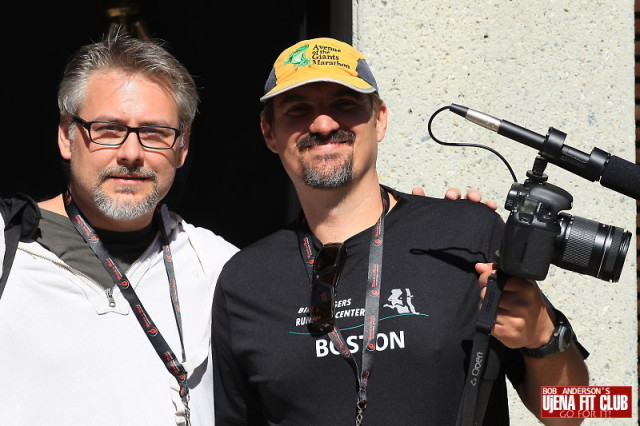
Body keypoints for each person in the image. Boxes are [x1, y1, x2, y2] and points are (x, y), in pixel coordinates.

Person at [211, 37, 589, 425]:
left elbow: (574, 411)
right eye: (297, 110)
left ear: (380, 120)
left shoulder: (466, 233)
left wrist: (543, 336)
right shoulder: (244, 281)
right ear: (269, 132)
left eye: (344, 104)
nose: (323, 124)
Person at [0, 34, 239, 426]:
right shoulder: (7, 248)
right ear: (66, 135)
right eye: (109, 129)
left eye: (155, 132)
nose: (131, 154)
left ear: (182, 147)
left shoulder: (218, 268)